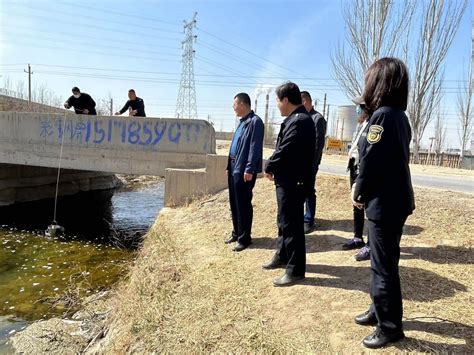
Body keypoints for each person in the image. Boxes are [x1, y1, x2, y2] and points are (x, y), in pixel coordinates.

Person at [352, 57, 415, 349]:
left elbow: (371, 161)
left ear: (381, 83)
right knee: (383, 261)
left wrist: (358, 192)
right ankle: (379, 308)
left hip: (385, 202)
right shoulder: (397, 116)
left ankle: (390, 326)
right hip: (394, 200)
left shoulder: (384, 117)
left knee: (383, 266)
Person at [262, 82, 315, 287]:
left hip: (294, 182)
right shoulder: (295, 119)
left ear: (285, 100)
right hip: (287, 180)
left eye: (277, 100)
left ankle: (295, 269)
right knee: (283, 221)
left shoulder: (300, 120)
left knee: (292, 225)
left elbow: (286, 149)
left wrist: (269, 165)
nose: (277, 104)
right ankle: (282, 255)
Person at [225, 93, 264, 252]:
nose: (233, 107)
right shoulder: (242, 122)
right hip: (234, 167)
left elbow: (254, 148)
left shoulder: (255, 122)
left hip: (244, 170)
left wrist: (249, 168)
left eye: (234, 104)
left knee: (243, 204)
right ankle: (237, 232)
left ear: (242, 104)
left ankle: (244, 238)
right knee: (234, 203)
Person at [342, 98, 370, 261]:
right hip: (354, 167)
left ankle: (369, 243)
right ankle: (357, 237)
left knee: (366, 205)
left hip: (362, 170)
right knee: (356, 203)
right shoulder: (360, 125)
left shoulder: (371, 125)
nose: (357, 111)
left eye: (359, 108)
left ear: (366, 108)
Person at [301, 91, 326, 234]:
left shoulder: (317, 119)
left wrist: (312, 165)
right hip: (300, 163)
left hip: (310, 164)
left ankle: (308, 220)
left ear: (306, 101)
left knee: (309, 190)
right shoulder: (302, 117)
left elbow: (318, 145)